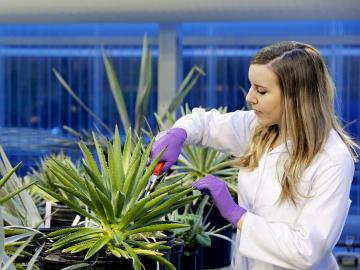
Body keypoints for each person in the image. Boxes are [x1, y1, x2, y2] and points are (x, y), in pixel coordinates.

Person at [148, 41, 359, 269]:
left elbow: (307, 250)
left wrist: (238, 216)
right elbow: (205, 124)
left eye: (261, 90)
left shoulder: (332, 158)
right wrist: (180, 133)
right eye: (251, 86)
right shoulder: (257, 128)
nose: (250, 97)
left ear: (296, 96)